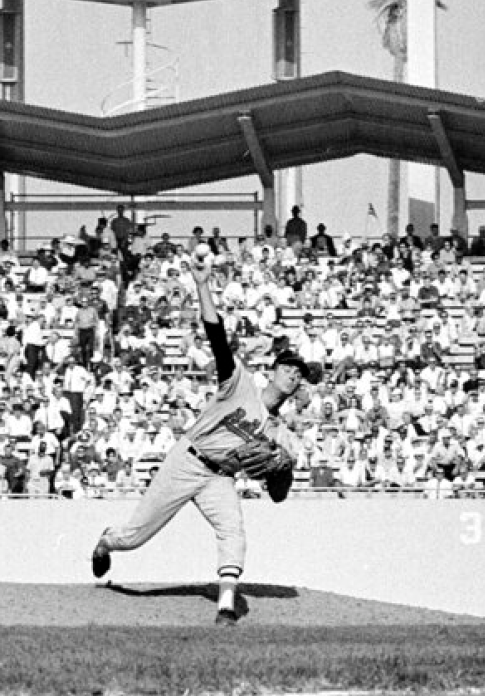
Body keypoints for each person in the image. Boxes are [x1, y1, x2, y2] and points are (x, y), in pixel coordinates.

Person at [89, 254, 321, 625]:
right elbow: (216, 335)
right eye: (289, 368)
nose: (294, 376)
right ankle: (106, 540)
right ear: (274, 370)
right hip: (187, 460)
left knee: (234, 532)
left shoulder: (281, 435)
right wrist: (201, 285)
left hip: (219, 478)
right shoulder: (240, 383)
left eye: (300, 374)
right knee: (134, 537)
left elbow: (278, 495)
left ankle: (226, 608)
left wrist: (284, 469)